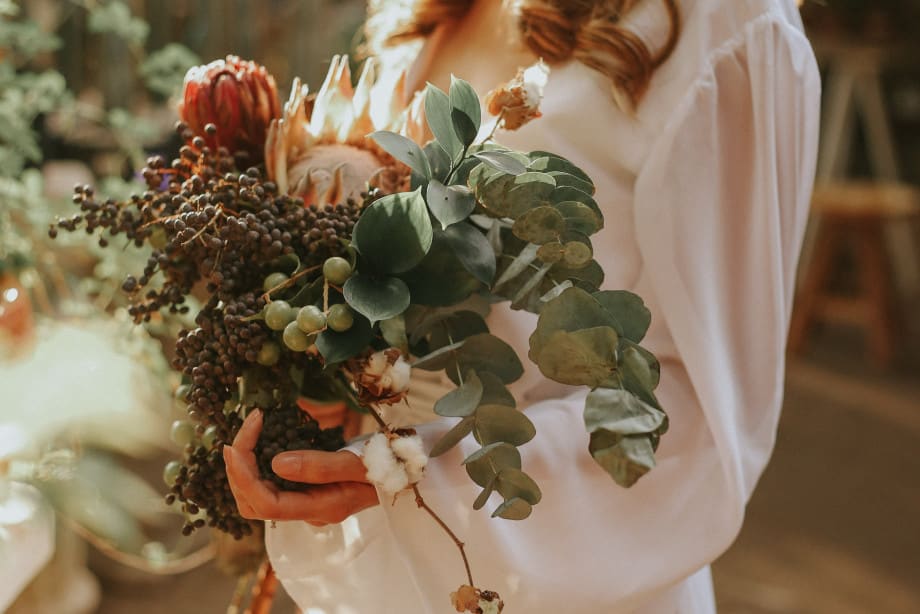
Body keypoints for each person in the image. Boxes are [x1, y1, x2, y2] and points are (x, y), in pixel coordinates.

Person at [223, 0, 821, 611]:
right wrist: (309, 396)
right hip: (385, 562)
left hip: (566, 565)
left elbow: (705, 404)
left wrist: (426, 467)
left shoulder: (721, 23)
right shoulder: (424, 16)